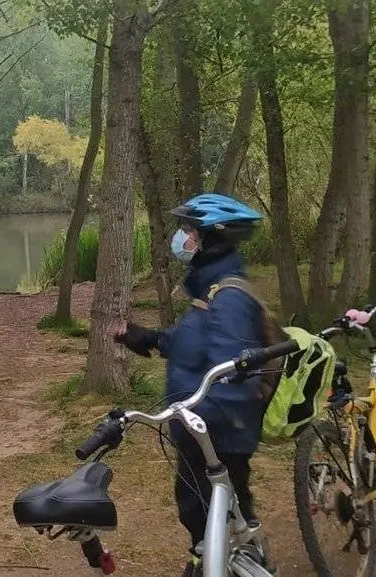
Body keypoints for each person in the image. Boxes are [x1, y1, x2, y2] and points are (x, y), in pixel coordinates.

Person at [113, 194, 265, 577]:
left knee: (218, 503)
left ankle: (242, 560)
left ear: (209, 238)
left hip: (217, 432)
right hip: (200, 429)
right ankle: (210, 558)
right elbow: (194, 343)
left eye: (188, 230)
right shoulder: (209, 290)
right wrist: (147, 339)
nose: (182, 238)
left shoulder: (228, 297)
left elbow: (232, 370)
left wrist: (198, 420)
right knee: (200, 504)